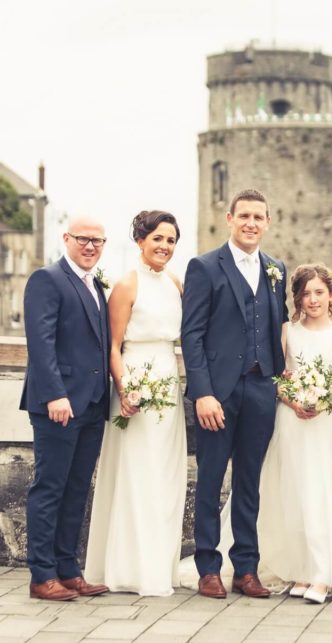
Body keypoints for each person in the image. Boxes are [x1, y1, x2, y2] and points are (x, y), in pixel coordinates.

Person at [181, 189, 289, 599]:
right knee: (209, 480)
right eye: (243, 215)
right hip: (218, 393)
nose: (251, 223)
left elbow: (277, 328)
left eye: (258, 217)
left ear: (267, 222)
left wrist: (281, 383)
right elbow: (191, 335)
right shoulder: (204, 267)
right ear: (229, 218)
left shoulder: (276, 269)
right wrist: (203, 394)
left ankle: (246, 568)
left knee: (250, 482)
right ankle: (208, 566)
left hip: (262, 388)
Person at [85, 210, 186, 596]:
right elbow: (113, 345)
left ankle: (158, 566)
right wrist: (125, 389)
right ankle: (129, 568)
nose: (164, 246)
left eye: (171, 240)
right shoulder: (127, 285)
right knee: (137, 471)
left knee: (164, 475)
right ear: (141, 241)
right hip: (136, 380)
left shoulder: (176, 284)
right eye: (158, 238)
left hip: (167, 383)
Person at [20, 217, 111, 601]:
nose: (90, 246)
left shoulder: (97, 286)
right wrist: (56, 395)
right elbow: (40, 343)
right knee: (50, 488)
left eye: (97, 241)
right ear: (66, 239)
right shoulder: (48, 279)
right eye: (83, 239)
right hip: (59, 404)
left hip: (92, 403)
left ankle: (68, 569)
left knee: (76, 489)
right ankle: (42, 576)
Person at [257, 264, 332, 604]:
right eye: (305, 293)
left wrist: (321, 401)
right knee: (293, 492)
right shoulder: (288, 331)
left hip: (324, 423)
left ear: (331, 295)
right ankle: (299, 569)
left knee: (322, 493)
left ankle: (323, 575)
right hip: (291, 419)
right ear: (297, 298)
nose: (312, 299)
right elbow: (277, 377)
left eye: (319, 292)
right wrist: (294, 399)